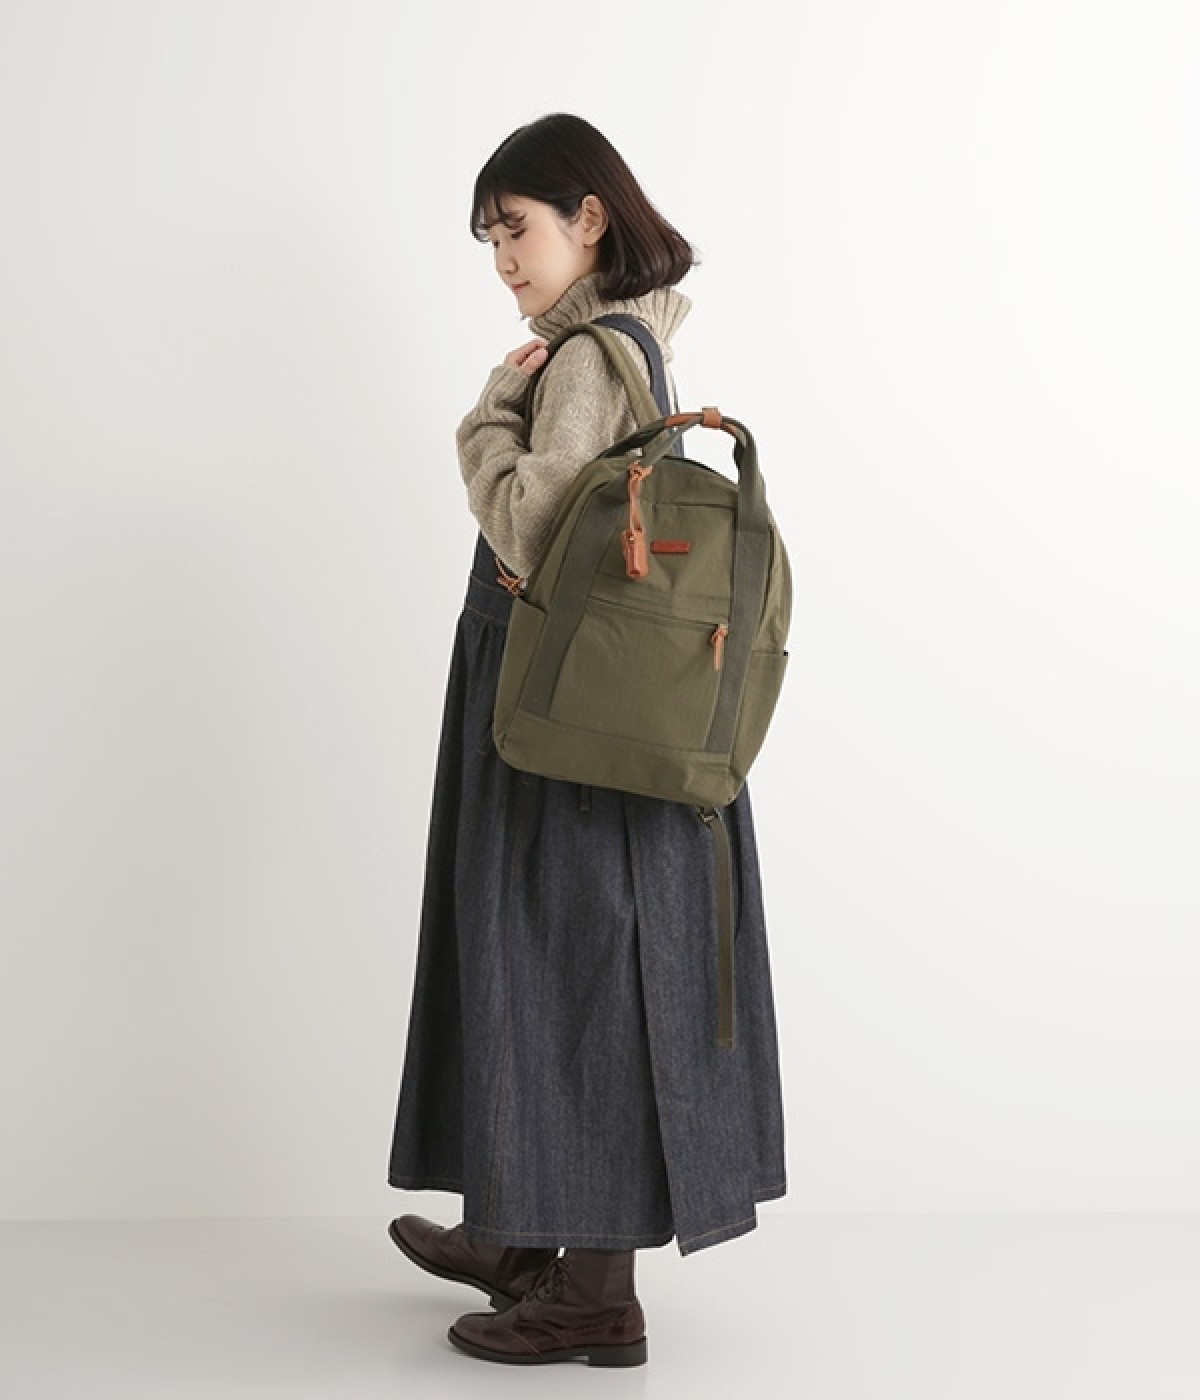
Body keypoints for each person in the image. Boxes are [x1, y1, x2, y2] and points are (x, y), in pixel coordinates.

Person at [385, 112, 787, 1368]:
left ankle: (595, 1292)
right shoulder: (631, 341)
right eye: (489, 239)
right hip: (583, 714)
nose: (503, 258)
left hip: (565, 732)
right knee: (537, 955)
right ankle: (520, 1233)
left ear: (590, 218)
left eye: (516, 227)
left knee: (573, 971)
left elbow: (528, 524)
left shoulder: (579, 361)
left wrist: (489, 412)